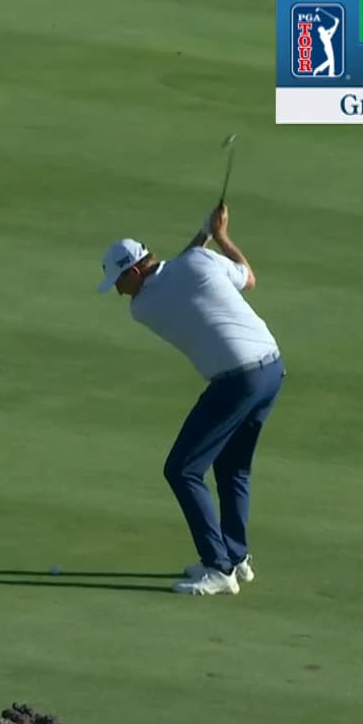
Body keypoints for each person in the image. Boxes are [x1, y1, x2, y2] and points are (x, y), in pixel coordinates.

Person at [97, 203, 286, 595]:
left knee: (182, 469)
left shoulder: (143, 306)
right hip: (271, 370)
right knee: (233, 468)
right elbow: (246, 277)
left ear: (134, 272)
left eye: (119, 281)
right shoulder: (199, 262)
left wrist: (204, 233)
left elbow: (177, 271)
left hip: (238, 381)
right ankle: (235, 556)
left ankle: (219, 569)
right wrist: (219, 236)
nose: (118, 291)